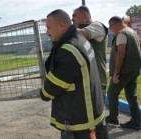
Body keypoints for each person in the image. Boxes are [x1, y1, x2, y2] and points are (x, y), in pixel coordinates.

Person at [40, 9, 105, 139]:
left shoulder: (68, 50)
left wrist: (42, 92)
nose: (47, 32)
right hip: (93, 115)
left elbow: (49, 91)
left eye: (48, 28)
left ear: (61, 26)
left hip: (79, 124)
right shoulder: (80, 39)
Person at [72, 6, 109, 139]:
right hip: (84, 84)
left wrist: (62, 28)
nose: (72, 19)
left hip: (97, 83)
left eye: (74, 16)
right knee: (85, 122)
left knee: (98, 122)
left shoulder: (97, 26)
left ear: (85, 16)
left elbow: (82, 33)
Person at [105, 16, 141, 130]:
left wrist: (116, 73)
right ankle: (137, 121)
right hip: (134, 69)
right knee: (131, 96)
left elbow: (121, 54)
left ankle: (113, 118)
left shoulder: (122, 34)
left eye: (111, 27)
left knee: (111, 93)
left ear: (116, 24)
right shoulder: (131, 32)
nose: (111, 29)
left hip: (124, 71)